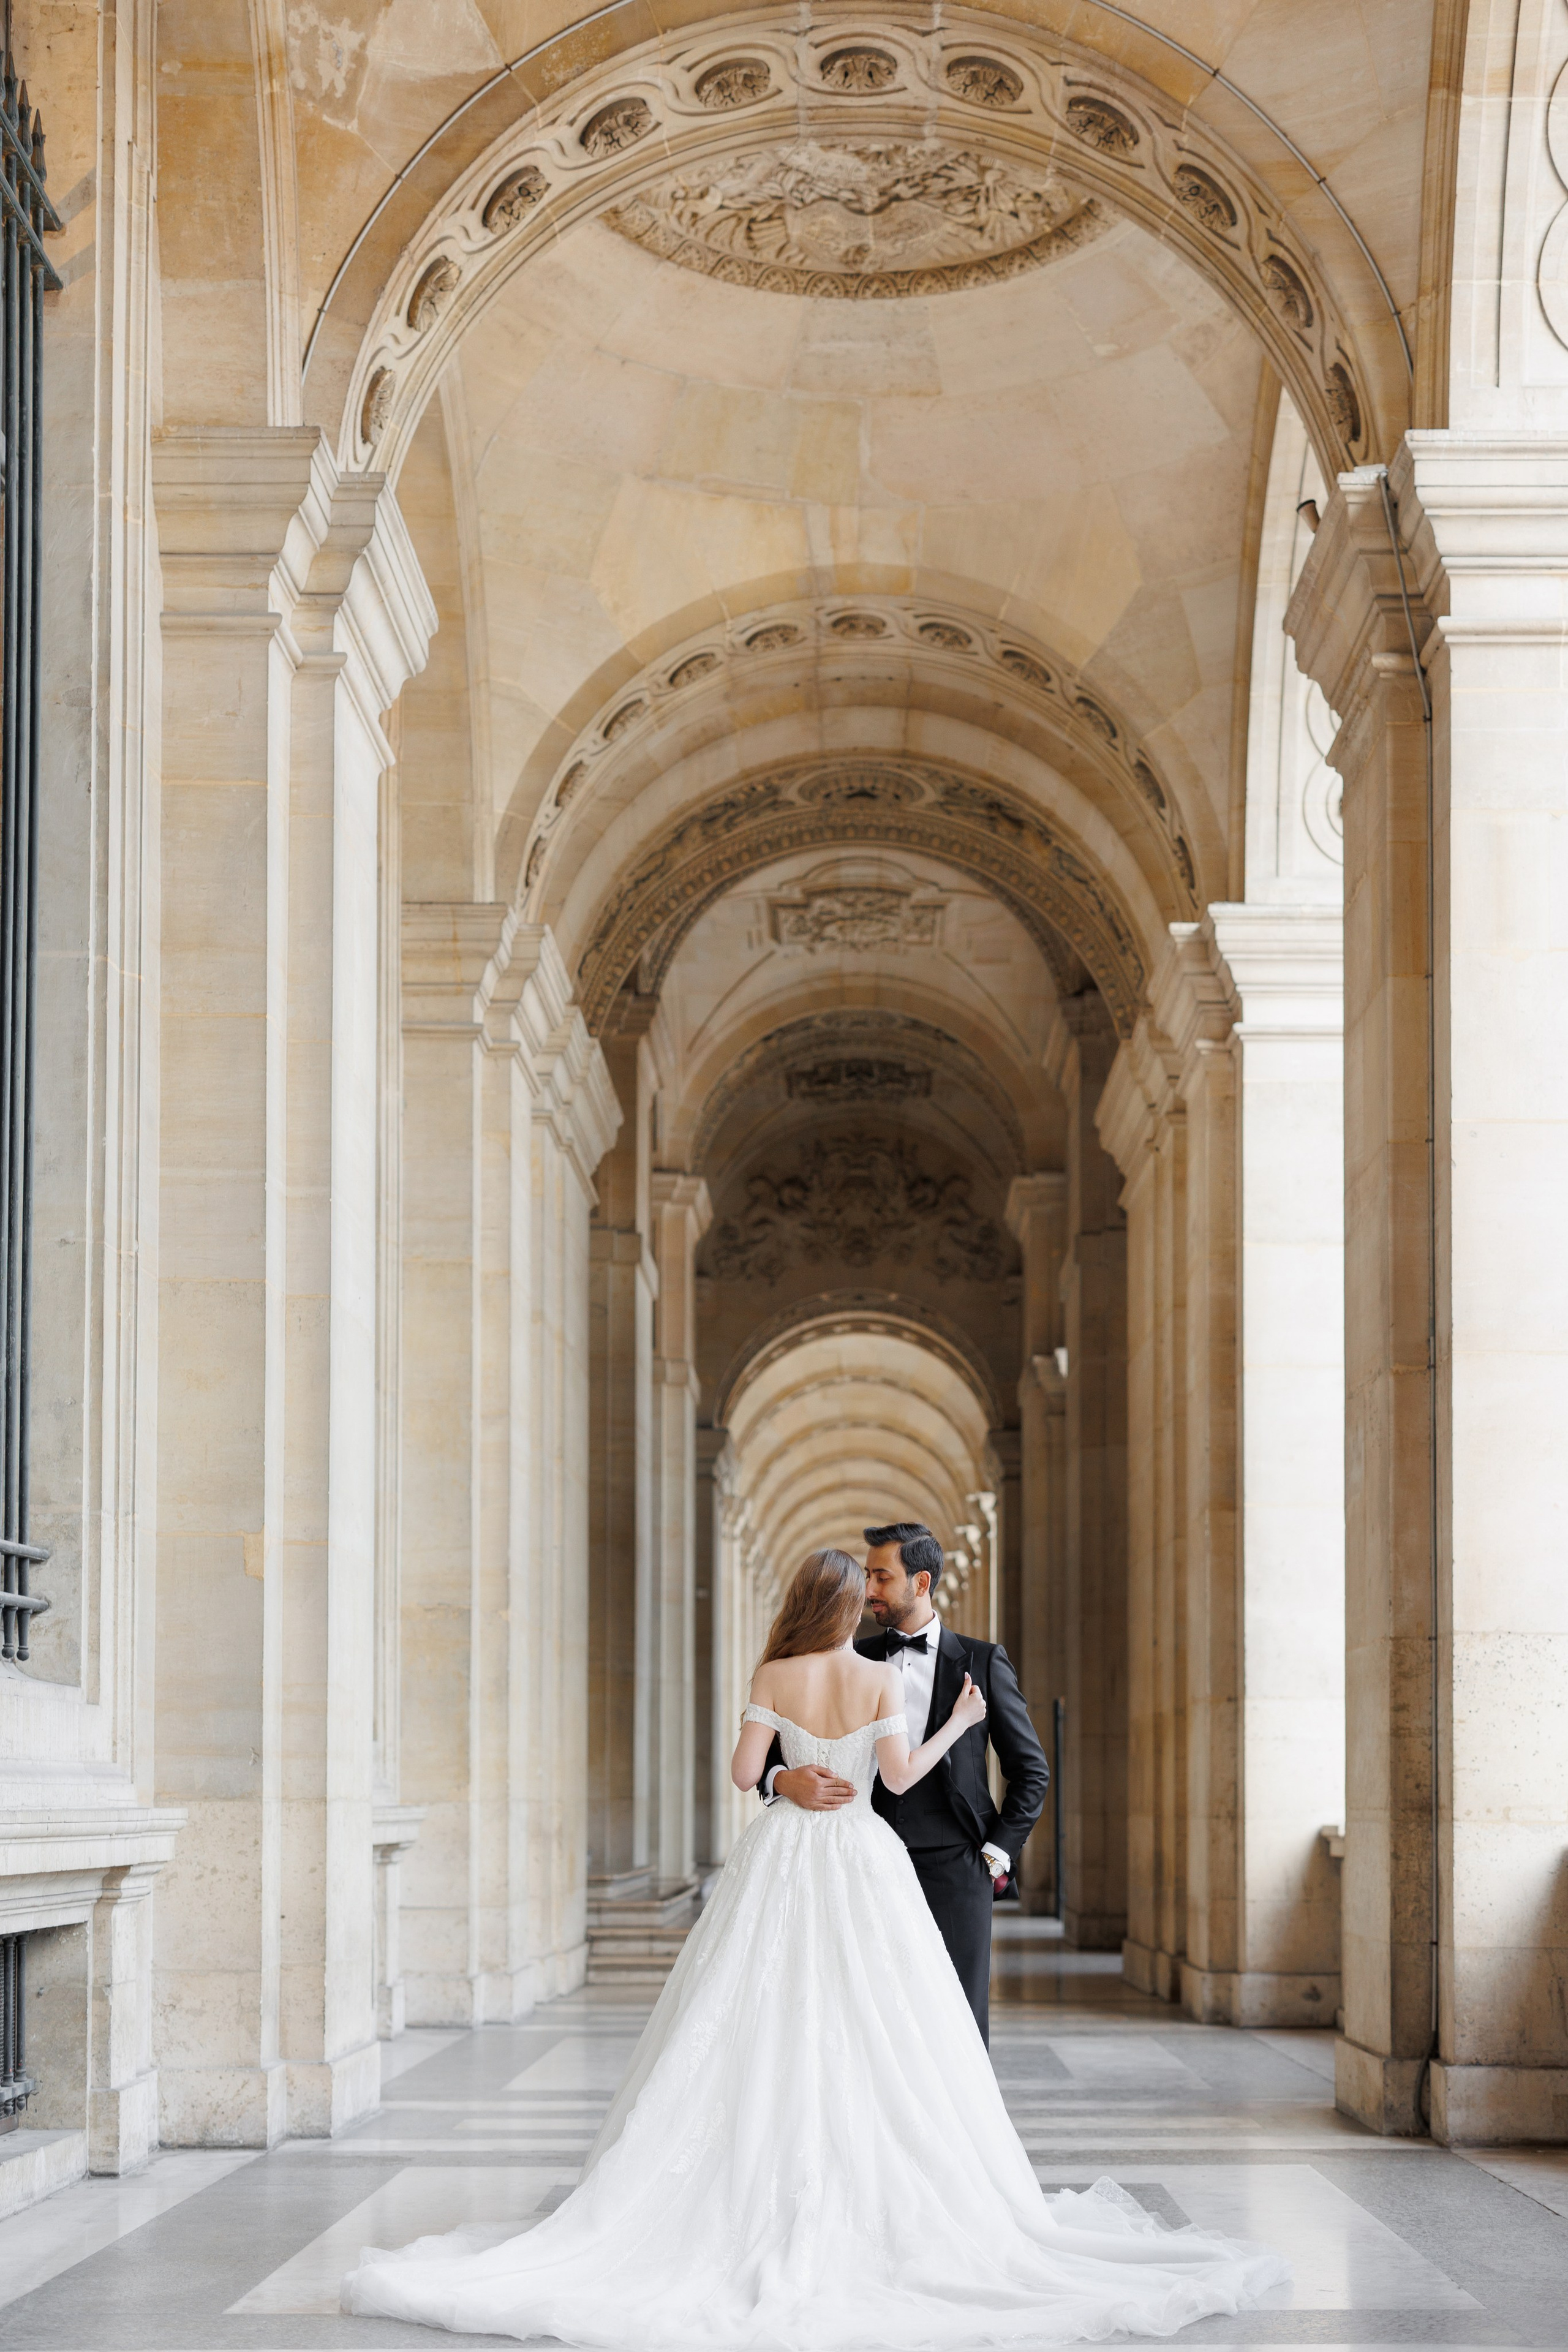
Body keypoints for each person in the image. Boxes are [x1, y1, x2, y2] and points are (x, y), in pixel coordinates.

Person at [342, 1546, 1288, 2348]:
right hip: (864, 1859)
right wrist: (960, 1724)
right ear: (849, 1608)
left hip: (783, 1858)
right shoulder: (878, 1677)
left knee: (753, 2012)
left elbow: (743, 1773)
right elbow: (900, 1778)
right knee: (881, 2020)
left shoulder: (772, 1676)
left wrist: (786, 1777)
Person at [763, 1520, 1047, 2041]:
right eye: (867, 1575)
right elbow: (771, 1753)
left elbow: (1031, 1771)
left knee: (958, 2022)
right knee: (867, 2020)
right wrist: (783, 1781)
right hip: (860, 1863)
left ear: (921, 1583)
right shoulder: (853, 1657)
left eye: (881, 1576)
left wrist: (994, 1857)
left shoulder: (984, 1661)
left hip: (957, 1867)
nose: (868, 1589)